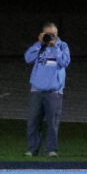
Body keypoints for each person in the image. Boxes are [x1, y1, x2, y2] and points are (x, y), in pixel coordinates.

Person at [23, 21, 70, 157]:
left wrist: (54, 48)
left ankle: (51, 150)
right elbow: (28, 58)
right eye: (48, 34)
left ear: (57, 34)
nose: (51, 37)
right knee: (33, 121)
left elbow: (64, 62)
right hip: (37, 90)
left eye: (53, 34)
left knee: (52, 123)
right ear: (43, 34)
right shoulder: (39, 46)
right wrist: (39, 44)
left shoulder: (63, 46)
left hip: (54, 91)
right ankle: (32, 149)